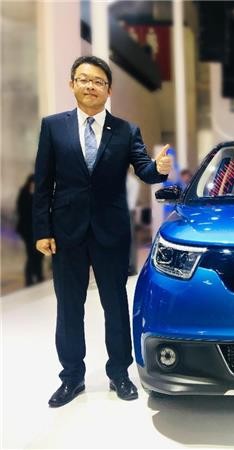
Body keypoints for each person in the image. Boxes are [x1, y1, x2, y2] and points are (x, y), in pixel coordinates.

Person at [33, 55, 172, 408]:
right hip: (66, 231)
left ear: (108, 90)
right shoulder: (53, 127)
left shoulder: (125, 131)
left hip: (111, 231)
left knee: (115, 303)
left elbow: (145, 170)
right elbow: (43, 183)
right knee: (69, 306)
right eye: (84, 79)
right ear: (72, 84)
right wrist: (41, 230)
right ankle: (71, 377)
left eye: (98, 81)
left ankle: (119, 373)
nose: (91, 86)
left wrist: (159, 169)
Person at [16, 174, 44, 286]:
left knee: (39, 253)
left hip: (36, 228)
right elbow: (21, 211)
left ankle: (38, 274)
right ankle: (29, 277)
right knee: (31, 254)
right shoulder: (24, 194)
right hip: (27, 230)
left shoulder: (38, 194)